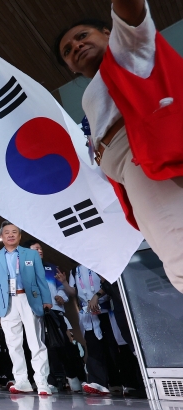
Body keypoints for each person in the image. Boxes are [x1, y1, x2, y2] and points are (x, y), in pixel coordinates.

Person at [55, 0, 183, 294]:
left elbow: (131, 10)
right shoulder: (92, 92)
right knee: (173, 255)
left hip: (151, 160)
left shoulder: (126, 50)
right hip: (130, 175)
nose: (75, 46)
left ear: (108, 31)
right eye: (67, 51)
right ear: (71, 68)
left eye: (82, 36)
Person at [0, 222, 53, 395]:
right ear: (2, 236)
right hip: (6, 301)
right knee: (13, 343)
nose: (10, 235)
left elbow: (41, 278)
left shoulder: (31, 254)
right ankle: (22, 380)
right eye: (7, 232)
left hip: (29, 299)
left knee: (35, 341)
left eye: (14, 232)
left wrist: (46, 298)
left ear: (19, 236)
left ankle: (41, 381)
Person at [22, 239, 85, 393]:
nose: (40, 250)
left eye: (41, 248)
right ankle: (49, 381)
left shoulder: (52, 267)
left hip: (55, 313)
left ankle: (72, 376)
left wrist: (61, 297)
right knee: (41, 348)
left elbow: (61, 288)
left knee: (63, 345)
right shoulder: (23, 270)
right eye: (36, 249)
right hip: (35, 313)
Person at [64, 266, 121, 395]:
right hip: (88, 314)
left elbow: (108, 282)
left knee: (111, 347)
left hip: (106, 311)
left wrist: (97, 296)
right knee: (93, 346)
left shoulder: (97, 263)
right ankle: (98, 382)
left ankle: (117, 382)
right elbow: (73, 292)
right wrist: (64, 283)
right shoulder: (74, 270)